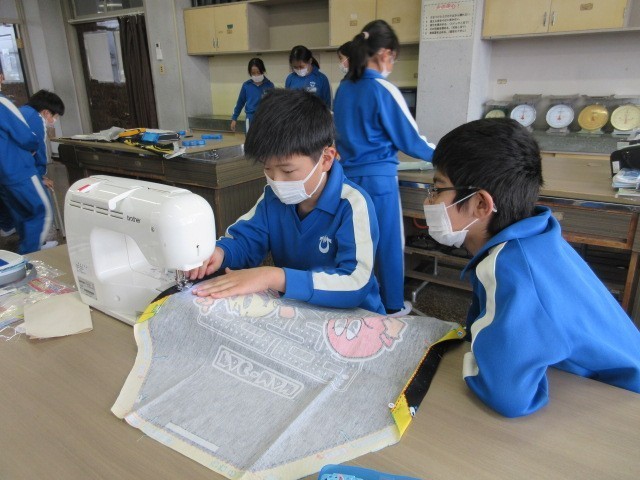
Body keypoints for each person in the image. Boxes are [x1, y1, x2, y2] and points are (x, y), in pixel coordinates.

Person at [423, 117, 640, 418]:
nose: (429, 200)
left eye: (436, 188)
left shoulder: (511, 268)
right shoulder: (533, 233)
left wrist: (480, 360)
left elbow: (507, 397)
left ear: (481, 204)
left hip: (621, 403)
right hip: (598, 378)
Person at [188, 88, 384, 315]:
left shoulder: (353, 204)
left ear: (326, 159)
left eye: (288, 171)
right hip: (301, 310)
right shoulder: (273, 199)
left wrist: (273, 276)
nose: (277, 181)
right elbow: (246, 241)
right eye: (267, 168)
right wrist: (220, 253)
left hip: (355, 317)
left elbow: (355, 283)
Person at [333, 20, 435, 315]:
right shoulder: (382, 89)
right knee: (388, 243)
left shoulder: (344, 89)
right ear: (385, 53)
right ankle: (392, 305)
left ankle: (358, 299)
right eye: (394, 57)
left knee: (356, 242)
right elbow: (411, 140)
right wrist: (449, 155)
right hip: (379, 181)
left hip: (347, 179)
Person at [0, 85, 50, 254]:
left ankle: (25, 250)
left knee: (20, 213)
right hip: (17, 169)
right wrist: (33, 147)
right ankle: (30, 256)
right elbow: (25, 136)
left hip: (3, 174)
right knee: (42, 211)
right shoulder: (2, 103)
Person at [230, 58, 274, 133]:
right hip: (250, 119)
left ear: (263, 71)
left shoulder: (269, 85)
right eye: (253, 73)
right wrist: (234, 118)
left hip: (265, 119)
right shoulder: (246, 86)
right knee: (250, 139)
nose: (256, 75)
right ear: (250, 73)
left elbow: (273, 105)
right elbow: (240, 103)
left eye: (258, 72)